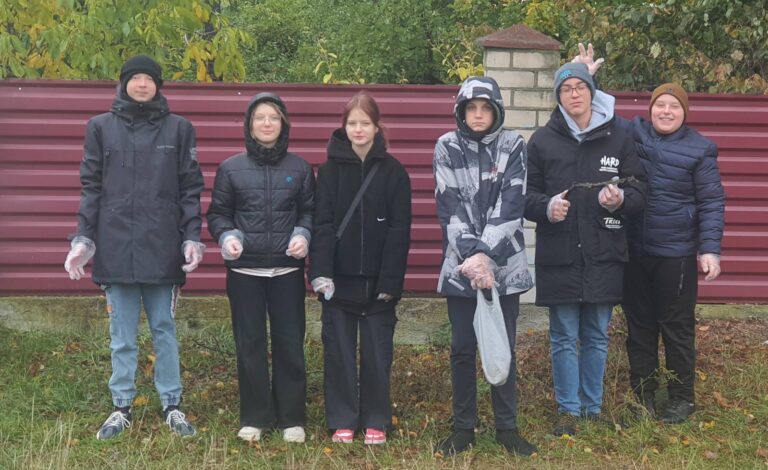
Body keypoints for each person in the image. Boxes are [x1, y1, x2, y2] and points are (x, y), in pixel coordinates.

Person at [573, 43, 726, 424]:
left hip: (674, 255)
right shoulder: (633, 133)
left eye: (674, 107)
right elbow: (603, 112)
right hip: (634, 250)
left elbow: (711, 203)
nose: (666, 111)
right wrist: (588, 78)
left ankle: (680, 398)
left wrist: (710, 249)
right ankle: (642, 398)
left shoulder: (700, 150)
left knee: (675, 328)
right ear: (651, 108)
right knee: (639, 328)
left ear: (683, 113)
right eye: (661, 105)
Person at [64, 55, 204, 439]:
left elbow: (190, 189)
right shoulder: (100, 128)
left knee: (164, 329)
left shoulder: (180, 130)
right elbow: (91, 187)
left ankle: (172, 404)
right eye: (135, 78)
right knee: (122, 334)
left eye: (149, 78)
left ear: (158, 85)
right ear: (123, 82)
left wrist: (192, 237)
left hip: (163, 248)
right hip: (115, 247)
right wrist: (83, 239)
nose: (142, 84)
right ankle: (121, 406)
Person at [524, 62, 647, 437]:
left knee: (596, 334)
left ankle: (592, 410)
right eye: (566, 88)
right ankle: (568, 412)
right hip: (559, 255)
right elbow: (524, 198)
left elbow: (641, 192)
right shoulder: (542, 141)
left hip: (604, 253)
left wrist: (620, 199)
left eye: (580, 86)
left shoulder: (619, 138)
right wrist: (547, 208)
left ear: (593, 91)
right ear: (558, 97)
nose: (574, 93)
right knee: (563, 336)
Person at [432, 76, 536, 457]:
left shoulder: (514, 145)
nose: (478, 115)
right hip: (460, 270)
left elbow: (512, 204)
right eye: (471, 108)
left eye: (485, 108)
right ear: (461, 111)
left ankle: (506, 428)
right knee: (462, 348)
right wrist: (471, 259)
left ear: (496, 111)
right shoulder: (445, 146)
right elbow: (449, 205)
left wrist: (485, 256)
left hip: (503, 268)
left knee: (502, 346)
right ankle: (464, 429)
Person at [206, 93, 315, 443]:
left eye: (273, 117)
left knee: (289, 344)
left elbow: (310, 212)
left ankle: (291, 418)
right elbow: (218, 214)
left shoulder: (299, 168)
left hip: (286, 272)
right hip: (244, 273)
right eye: (259, 117)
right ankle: (255, 417)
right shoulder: (230, 168)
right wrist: (227, 237)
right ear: (249, 125)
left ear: (283, 124)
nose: (266, 123)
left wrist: (304, 234)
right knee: (250, 345)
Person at [309, 91, 411, 446]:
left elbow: (401, 231)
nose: (358, 129)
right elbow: (321, 224)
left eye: (364, 123)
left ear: (377, 126)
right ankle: (342, 419)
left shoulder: (394, 171)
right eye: (352, 123)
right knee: (338, 353)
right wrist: (320, 272)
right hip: (338, 282)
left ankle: (376, 420)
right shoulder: (330, 171)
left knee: (377, 354)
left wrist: (390, 281)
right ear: (344, 127)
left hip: (378, 284)